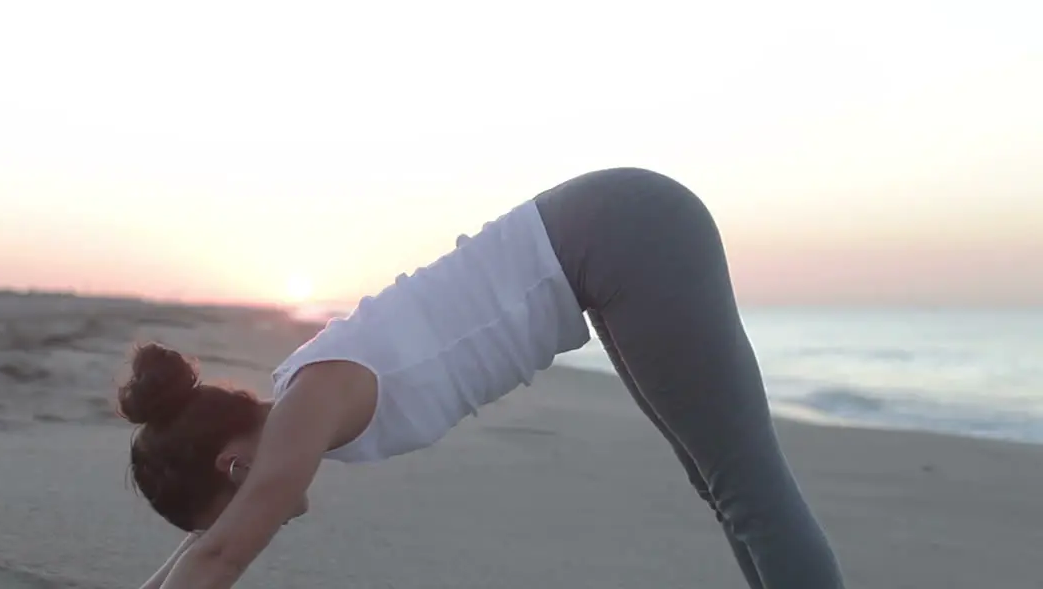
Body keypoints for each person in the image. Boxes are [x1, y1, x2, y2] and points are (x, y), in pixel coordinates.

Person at [119, 167, 845, 589]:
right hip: (605, 245)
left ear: (235, 463)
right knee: (726, 486)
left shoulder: (307, 407)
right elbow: (201, 548)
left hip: (623, 234)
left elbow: (221, 553)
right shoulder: (297, 403)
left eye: (229, 504)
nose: (253, 514)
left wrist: (215, 544)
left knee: (745, 485)